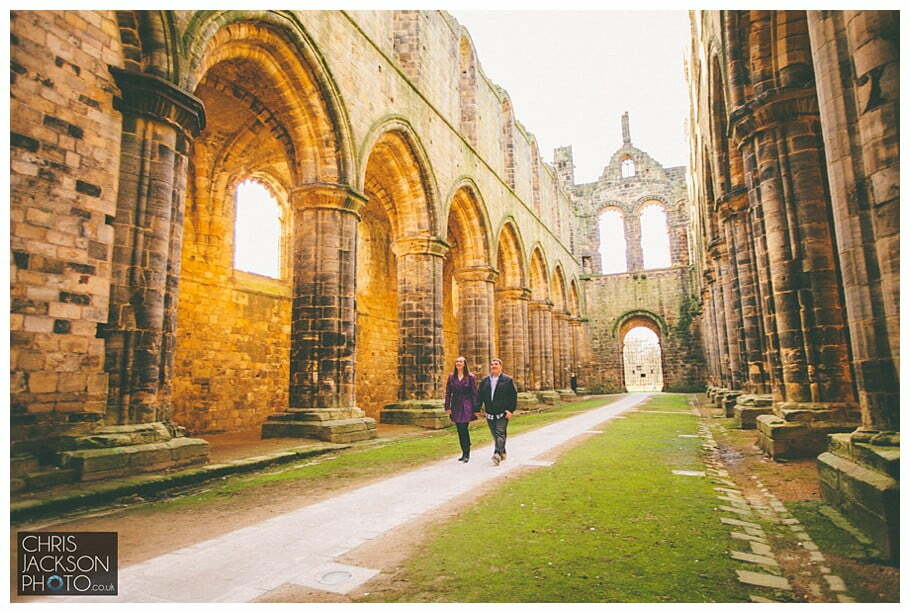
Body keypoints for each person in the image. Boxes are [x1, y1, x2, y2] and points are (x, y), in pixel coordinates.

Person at [476, 358, 518, 466]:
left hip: (502, 412)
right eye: (492, 364)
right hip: (490, 412)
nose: (493, 366)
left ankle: (497, 454)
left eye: (496, 364)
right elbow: (479, 395)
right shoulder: (485, 381)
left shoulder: (508, 380)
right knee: (495, 434)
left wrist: (510, 410)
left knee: (500, 432)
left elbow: (513, 396)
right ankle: (502, 451)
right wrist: (477, 409)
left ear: (500, 366)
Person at [444, 356, 479, 462]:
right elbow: (448, 393)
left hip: (467, 405)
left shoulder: (471, 377)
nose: (458, 363)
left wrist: (476, 408)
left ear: (464, 364)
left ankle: (466, 452)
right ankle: (464, 450)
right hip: (456, 405)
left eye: (460, 362)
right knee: (460, 429)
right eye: (457, 362)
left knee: (463, 427)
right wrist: (447, 406)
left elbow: (474, 393)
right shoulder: (451, 377)